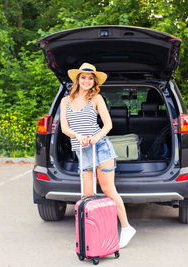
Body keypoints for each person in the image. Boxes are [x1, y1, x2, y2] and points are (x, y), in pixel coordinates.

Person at [60, 62, 136, 249]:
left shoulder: (96, 98)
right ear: (77, 79)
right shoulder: (65, 101)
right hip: (81, 150)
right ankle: (93, 234)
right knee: (87, 195)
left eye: (90, 78)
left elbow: (108, 125)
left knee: (109, 190)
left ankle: (126, 228)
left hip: (100, 147)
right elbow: (64, 128)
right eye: (83, 77)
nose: (86, 80)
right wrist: (77, 136)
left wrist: (95, 138)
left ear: (94, 81)